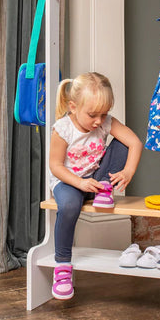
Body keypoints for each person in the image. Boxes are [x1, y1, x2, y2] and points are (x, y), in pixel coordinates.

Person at [49, 72, 143, 300]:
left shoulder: (104, 122)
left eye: (104, 114)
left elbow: (135, 142)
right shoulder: (63, 129)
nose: (99, 121)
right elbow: (55, 166)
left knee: (121, 142)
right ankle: (62, 266)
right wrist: (79, 182)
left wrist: (128, 170)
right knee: (70, 207)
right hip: (69, 182)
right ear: (73, 107)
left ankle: (104, 188)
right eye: (92, 115)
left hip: (95, 180)